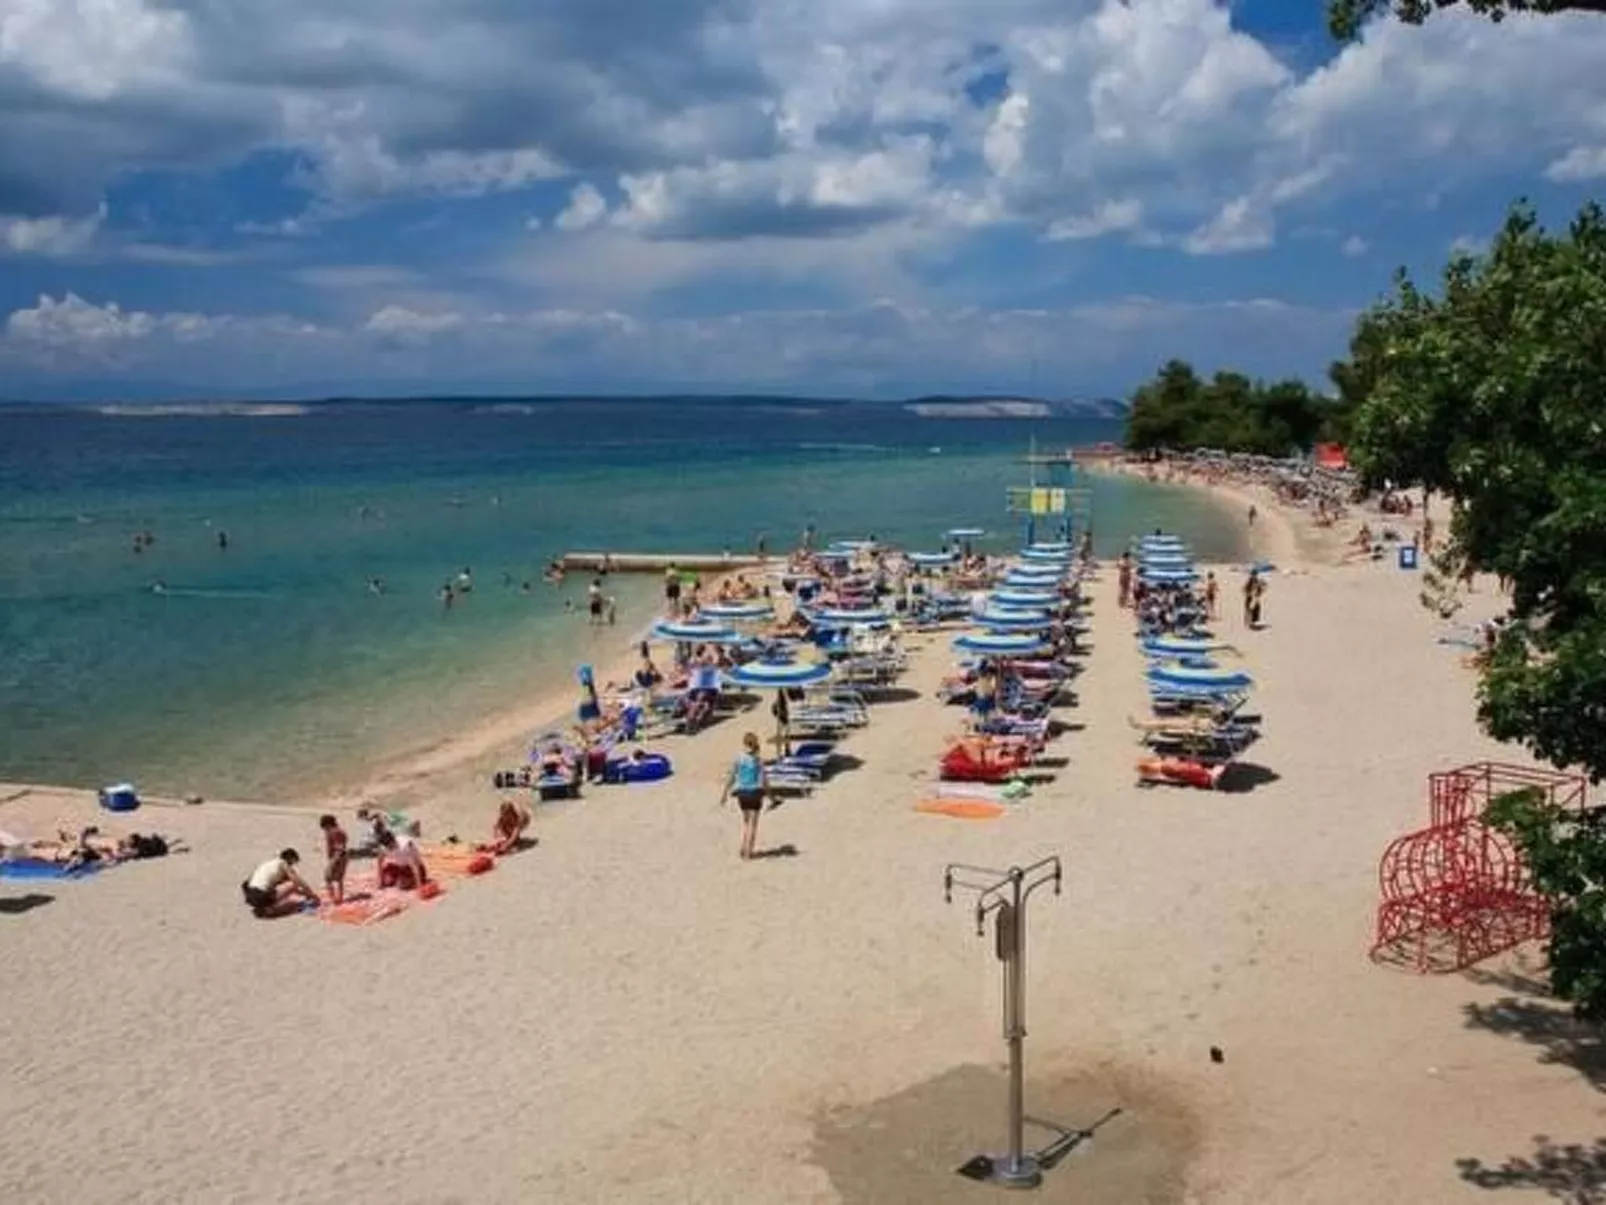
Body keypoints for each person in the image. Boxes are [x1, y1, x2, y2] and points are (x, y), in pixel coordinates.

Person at [720, 732, 769, 860]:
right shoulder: (758, 760)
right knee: (752, 825)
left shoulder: (739, 758)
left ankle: (743, 848)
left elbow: (731, 777)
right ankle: (748, 853)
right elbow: (764, 780)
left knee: (747, 823)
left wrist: (724, 794)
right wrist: (770, 795)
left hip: (741, 794)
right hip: (754, 794)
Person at [241, 848, 319, 917]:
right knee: (291, 885)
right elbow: (298, 881)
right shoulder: (282, 864)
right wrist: (311, 894)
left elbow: (246, 883)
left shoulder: (269, 863)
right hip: (261, 896)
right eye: (292, 863)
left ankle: (264, 907)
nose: (292, 865)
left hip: (250, 895)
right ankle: (270, 908)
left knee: (280, 885)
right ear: (290, 859)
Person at [376, 827, 428, 891]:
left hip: (412, 868)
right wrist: (380, 881)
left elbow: (414, 866)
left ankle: (406, 879)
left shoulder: (406, 845)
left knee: (402, 885)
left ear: (394, 840)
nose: (389, 848)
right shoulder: (384, 847)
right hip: (399, 867)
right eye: (387, 847)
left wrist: (419, 885)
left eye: (390, 846)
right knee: (387, 881)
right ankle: (399, 878)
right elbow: (380, 862)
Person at [319, 814, 349, 904]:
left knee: (327, 877)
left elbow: (339, 847)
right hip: (342, 856)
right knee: (339, 878)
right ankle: (339, 898)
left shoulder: (334, 832)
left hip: (338, 856)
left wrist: (334, 860)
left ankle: (334, 899)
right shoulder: (338, 831)